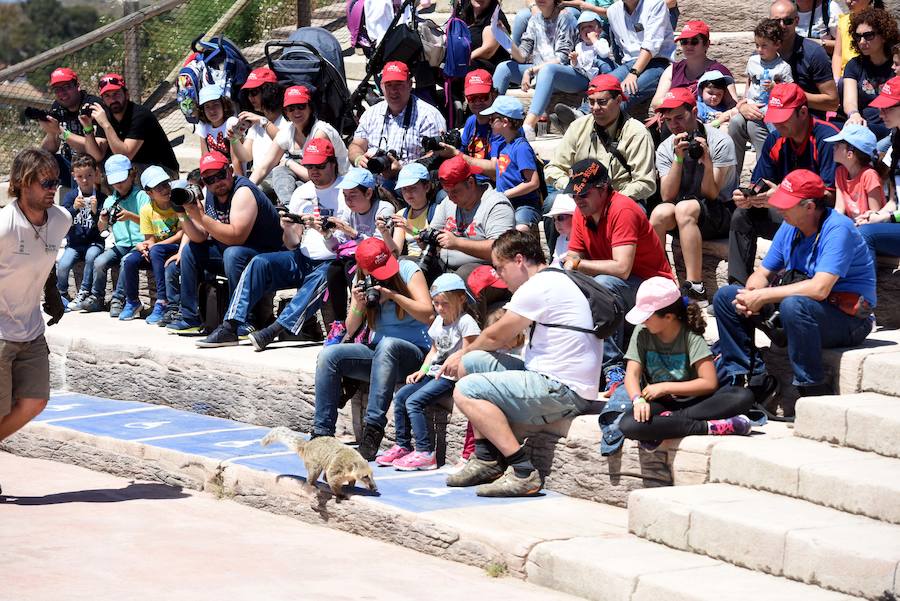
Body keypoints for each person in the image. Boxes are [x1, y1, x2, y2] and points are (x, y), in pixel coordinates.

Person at [439, 230, 602, 497]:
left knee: (466, 389)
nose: (498, 275)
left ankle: (523, 471)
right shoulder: (553, 278)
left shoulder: (538, 286)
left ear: (519, 260)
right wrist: (465, 356)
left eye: (500, 268)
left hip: (562, 389)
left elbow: (497, 336)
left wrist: (459, 354)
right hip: (554, 379)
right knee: (473, 362)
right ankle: (487, 459)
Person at [714, 169, 875, 399]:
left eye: (787, 204)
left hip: (849, 319)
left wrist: (762, 297)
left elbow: (819, 289)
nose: (779, 209)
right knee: (727, 296)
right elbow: (762, 274)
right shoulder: (791, 226)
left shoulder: (838, 229)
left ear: (809, 207)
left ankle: (811, 389)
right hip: (802, 311)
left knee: (794, 305)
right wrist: (749, 296)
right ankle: (746, 378)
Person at [312, 237, 434, 461]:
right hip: (379, 355)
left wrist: (394, 296)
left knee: (388, 345)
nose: (385, 274)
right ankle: (322, 433)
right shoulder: (361, 281)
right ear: (365, 269)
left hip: (414, 355)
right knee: (329, 355)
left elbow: (428, 315)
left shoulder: (409, 270)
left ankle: (373, 431)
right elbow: (350, 329)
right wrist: (358, 305)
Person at [562, 158, 673, 389]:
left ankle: (613, 368)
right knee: (569, 282)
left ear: (603, 188)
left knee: (603, 284)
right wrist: (569, 268)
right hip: (625, 287)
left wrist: (577, 264)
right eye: (574, 195)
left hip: (654, 288)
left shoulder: (622, 210)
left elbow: (622, 269)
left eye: (584, 194)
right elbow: (573, 256)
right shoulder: (582, 212)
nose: (578, 199)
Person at [0, 148, 71, 492]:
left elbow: (46, 256)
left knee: (35, 401)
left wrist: (51, 290)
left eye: (56, 182)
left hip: (30, 328)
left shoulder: (60, 219)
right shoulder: (4, 226)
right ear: (21, 183)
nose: (52, 189)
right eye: (45, 183)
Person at [615, 277, 754, 447]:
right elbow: (632, 374)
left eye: (647, 317)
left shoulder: (690, 335)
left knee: (743, 397)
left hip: (696, 402)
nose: (643, 321)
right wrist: (638, 400)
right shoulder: (642, 332)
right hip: (661, 403)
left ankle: (669, 423)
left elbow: (709, 383)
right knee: (629, 425)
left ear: (668, 317)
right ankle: (708, 427)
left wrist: (665, 387)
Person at [728, 83, 839, 285]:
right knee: (742, 214)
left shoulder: (827, 137)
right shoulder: (775, 138)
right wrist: (748, 196)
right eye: (774, 117)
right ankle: (737, 287)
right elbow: (759, 183)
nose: (777, 123)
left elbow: (832, 197)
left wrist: (785, 196)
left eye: (783, 118)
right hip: (786, 214)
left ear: (803, 112)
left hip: (817, 218)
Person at [166, 151, 283, 334]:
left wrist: (201, 217)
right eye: (209, 180)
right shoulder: (210, 194)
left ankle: (242, 320)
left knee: (233, 253)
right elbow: (200, 236)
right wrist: (183, 214)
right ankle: (190, 317)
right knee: (190, 250)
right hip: (235, 255)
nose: (217, 182)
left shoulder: (243, 191)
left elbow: (237, 237)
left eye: (220, 175)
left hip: (267, 256)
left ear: (230, 170)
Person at [377, 273, 481, 471]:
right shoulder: (438, 321)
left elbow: (470, 351)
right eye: (436, 303)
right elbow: (434, 350)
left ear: (461, 299)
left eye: (445, 303)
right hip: (434, 373)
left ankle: (425, 452)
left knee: (413, 402)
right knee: (401, 396)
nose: (439, 308)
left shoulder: (466, 322)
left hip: (450, 378)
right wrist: (422, 371)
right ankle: (403, 445)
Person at [544, 75, 657, 249]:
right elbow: (553, 167)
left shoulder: (637, 132)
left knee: (635, 212)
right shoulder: (578, 126)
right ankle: (557, 259)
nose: (595, 107)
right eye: (591, 102)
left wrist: (609, 201)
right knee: (552, 202)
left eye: (602, 102)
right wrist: (575, 190)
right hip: (580, 195)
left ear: (618, 100)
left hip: (620, 196)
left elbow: (645, 183)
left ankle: (623, 262)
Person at [730, 0, 839, 175]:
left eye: (787, 21)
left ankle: (767, 178)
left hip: (799, 118)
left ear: (797, 21)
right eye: (776, 21)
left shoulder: (813, 53)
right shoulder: (760, 54)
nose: (781, 26)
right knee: (736, 124)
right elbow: (751, 86)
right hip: (763, 110)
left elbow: (832, 102)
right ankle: (732, 187)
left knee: (762, 126)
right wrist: (743, 106)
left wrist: (789, 95)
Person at [650, 88, 737, 303]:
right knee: (659, 213)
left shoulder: (719, 141)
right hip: (686, 212)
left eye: (679, 117)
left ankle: (695, 286)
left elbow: (712, 193)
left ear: (695, 111)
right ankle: (663, 279)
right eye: (668, 120)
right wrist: (678, 159)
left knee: (684, 208)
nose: (674, 125)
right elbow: (667, 195)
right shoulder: (666, 148)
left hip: (720, 211)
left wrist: (707, 162)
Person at [493, 0, 580, 140]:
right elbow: (522, 56)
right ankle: (493, 119)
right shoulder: (534, 20)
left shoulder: (566, 17)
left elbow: (562, 59)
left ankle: (528, 127)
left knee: (548, 70)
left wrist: (531, 71)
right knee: (504, 68)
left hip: (567, 74)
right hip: (540, 71)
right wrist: (505, 36)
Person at [250, 85, 349, 207]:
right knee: (276, 174)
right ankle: (289, 208)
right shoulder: (287, 131)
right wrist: (247, 188)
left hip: (335, 183)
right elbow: (264, 167)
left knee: (289, 177)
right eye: (291, 108)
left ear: (310, 107)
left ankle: (290, 210)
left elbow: (316, 174)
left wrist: (288, 162)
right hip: (308, 179)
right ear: (285, 112)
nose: (296, 112)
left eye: (301, 106)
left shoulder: (320, 132)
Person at [348, 62, 447, 183]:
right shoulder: (370, 114)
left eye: (399, 84)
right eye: (388, 85)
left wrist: (402, 171)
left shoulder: (429, 116)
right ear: (381, 86)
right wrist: (359, 158)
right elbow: (356, 145)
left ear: (410, 84)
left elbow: (436, 156)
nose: (393, 90)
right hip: (371, 185)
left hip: (411, 185)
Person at [424, 155, 515, 283]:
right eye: (447, 192)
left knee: (460, 277)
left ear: (471, 183)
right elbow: (433, 231)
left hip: (485, 269)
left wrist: (457, 243)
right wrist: (425, 239)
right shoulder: (448, 202)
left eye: (455, 191)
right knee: (409, 267)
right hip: (445, 265)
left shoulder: (496, 204)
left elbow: (501, 250)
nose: (450, 197)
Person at [77, 154, 148, 316]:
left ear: (132, 174)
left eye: (122, 180)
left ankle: (118, 299)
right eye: (115, 182)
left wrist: (131, 216)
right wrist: (102, 219)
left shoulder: (142, 197)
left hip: (139, 244)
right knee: (100, 261)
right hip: (121, 244)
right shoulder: (110, 200)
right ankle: (97, 297)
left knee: (125, 262)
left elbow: (150, 222)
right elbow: (102, 228)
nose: (119, 185)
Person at [117, 166, 184, 322]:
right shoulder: (147, 210)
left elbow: (181, 234)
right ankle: (132, 301)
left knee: (156, 250)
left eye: (166, 184)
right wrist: (144, 246)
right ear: (149, 193)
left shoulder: (178, 205)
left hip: (174, 248)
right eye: (159, 188)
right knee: (130, 260)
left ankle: (162, 300)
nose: (165, 189)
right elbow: (150, 239)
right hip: (157, 251)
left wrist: (155, 247)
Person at [82, 73, 179, 176]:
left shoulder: (140, 115)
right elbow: (96, 156)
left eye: (116, 94)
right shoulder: (106, 115)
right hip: (134, 168)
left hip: (161, 171)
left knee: (121, 173)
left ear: (126, 95)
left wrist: (106, 125)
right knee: (94, 171)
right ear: (103, 100)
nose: (113, 100)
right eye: (107, 96)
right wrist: (88, 127)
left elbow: (124, 157)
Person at [479, 96, 542, 232]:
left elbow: (533, 182)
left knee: (519, 229)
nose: (489, 122)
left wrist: (504, 194)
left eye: (492, 119)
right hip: (506, 202)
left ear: (505, 122)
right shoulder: (503, 146)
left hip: (524, 205)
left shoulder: (521, 147)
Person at [36, 67, 103, 193]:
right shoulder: (57, 107)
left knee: (81, 167)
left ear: (77, 86)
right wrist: (51, 132)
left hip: (91, 166)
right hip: (68, 163)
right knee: (40, 161)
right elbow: (48, 150)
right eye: (57, 89)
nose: (62, 93)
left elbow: (96, 152)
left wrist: (61, 132)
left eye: (66, 87)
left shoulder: (92, 106)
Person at [650, 21, 738, 114]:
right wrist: (683, 102)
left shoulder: (719, 71)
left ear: (707, 44)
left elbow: (732, 104)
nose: (688, 46)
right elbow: (656, 102)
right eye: (684, 42)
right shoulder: (673, 69)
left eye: (694, 41)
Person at [857, 75, 900, 256]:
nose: (881, 114)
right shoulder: (896, 139)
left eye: (887, 108)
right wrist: (877, 215)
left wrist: (887, 218)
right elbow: (894, 201)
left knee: (865, 234)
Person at [605, 0, 676, 110]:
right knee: (600, 87)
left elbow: (651, 45)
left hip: (658, 61)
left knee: (624, 95)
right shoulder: (613, 11)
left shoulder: (655, 4)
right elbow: (620, 44)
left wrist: (633, 73)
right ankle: (582, 114)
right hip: (630, 62)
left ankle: (606, 119)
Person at [842, 7, 900, 141]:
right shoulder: (854, 65)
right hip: (865, 126)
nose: (862, 42)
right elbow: (849, 101)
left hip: (892, 127)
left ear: (884, 36)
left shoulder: (896, 65)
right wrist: (854, 114)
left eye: (868, 36)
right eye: (858, 37)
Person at [57, 154, 105, 311]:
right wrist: (74, 208)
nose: (85, 180)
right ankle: (61, 294)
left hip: (95, 242)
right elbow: (63, 218)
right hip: (74, 243)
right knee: (63, 265)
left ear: (95, 174)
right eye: (80, 177)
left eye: (89, 175)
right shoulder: (70, 196)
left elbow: (103, 225)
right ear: (74, 176)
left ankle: (84, 292)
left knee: (91, 256)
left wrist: (95, 211)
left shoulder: (101, 197)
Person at [229, 67, 289, 189]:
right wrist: (234, 139)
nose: (250, 97)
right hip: (259, 180)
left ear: (269, 92)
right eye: (248, 93)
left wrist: (263, 122)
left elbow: (284, 142)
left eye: (254, 92)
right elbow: (246, 156)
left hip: (280, 180)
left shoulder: (287, 119)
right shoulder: (256, 124)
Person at [826, 123, 885, 220]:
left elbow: (875, 213)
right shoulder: (840, 172)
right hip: (853, 224)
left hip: (869, 225)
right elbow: (839, 209)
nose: (833, 147)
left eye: (837, 145)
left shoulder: (869, 175)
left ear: (850, 154)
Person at [383, 163, 438, 260]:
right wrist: (385, 233)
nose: (408, 193)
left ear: (427, 187)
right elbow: (396, 253)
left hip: (429, 260)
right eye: (404, 189)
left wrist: (412, 229)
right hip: (409, 262)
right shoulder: (401, 214)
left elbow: (436, 246)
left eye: (413, 188)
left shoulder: (437, 211)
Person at [746, 19, 795, 124]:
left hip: (772, 106)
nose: (759, 49)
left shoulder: (784, 67)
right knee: (736, 122)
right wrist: (746, 100)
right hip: (752, 104)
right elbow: (749, 81)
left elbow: (790, 91)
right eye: (757, 45)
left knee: (754, 124)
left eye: (764, 46)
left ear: (777, 44)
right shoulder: (752, 61)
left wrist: (776, 87)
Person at [833, 0, 884, 81]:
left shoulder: (879, 21)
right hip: (845, 77)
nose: (848, 1)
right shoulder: (843, 21)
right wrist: (836, 79)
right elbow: (837, 55)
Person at [459, 0, 511, 72]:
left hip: (489, 67)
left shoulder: (496, 18)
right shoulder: (465, 14)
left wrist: (462, 60)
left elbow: (488, 51)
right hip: (467, 62)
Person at [194, 84, 235, 162]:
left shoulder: (231, 123)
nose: (212, 111)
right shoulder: (203, 126)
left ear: (224, 105)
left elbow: (236, 159)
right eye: (207, 107)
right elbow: (205, 156)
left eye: (216, 105)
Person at [570, 12, 615, 81]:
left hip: (605, 73)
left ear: (599, 31)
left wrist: (594, 39)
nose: (586, 29)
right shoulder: (579, 46)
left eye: (590, 26)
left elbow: (604, 54)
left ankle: (608, 82)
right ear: (580, 34)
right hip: (589, 76)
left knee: (600, 60)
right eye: (582, 28)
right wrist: (574, 60)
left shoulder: (601, 41)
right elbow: (580, 66)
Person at [544, 193, 576, 266]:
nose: (556, 223)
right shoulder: (561, 239)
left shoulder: (581, 241)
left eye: (560, 218)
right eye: (554, 219)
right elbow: (555, 262)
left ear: (574, 217)